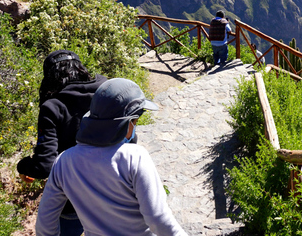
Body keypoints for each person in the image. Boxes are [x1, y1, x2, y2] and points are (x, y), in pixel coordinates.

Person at [35, 78, 187, 236]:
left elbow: (44, 225)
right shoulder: (134, 158)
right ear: (126, 122)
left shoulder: (63, 162)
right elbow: (158, 219)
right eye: (135, 121)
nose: (135, 126)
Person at [18, 50, 107, 236]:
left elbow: (44, 166)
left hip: (73, 198)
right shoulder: (105, 91)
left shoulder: (53, 107)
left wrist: (24, 166)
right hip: (109, 190)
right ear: (80, 69)